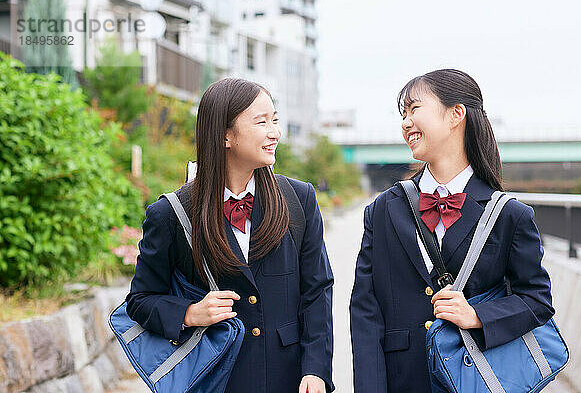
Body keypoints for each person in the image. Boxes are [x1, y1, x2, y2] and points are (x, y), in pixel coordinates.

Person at [349, 69, 554, 392]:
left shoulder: (508, 215)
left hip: (474, 379)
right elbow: (365, 308)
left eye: (414, 109)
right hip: (402, 380)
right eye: (402, 114)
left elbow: (537, 301)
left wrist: (478, 315)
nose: (405, 123)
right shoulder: (384, 209)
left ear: (456, 114)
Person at [126, 78, 334, 393]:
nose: (274, 132)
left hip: (290, 378)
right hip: (215, 379)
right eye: (261, 122)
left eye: (275, 120)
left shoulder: (298, 198)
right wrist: (190, 313)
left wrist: (316, 370)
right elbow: (141, 301)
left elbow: (317, 291)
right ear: (225, 134)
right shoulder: (171, 213)